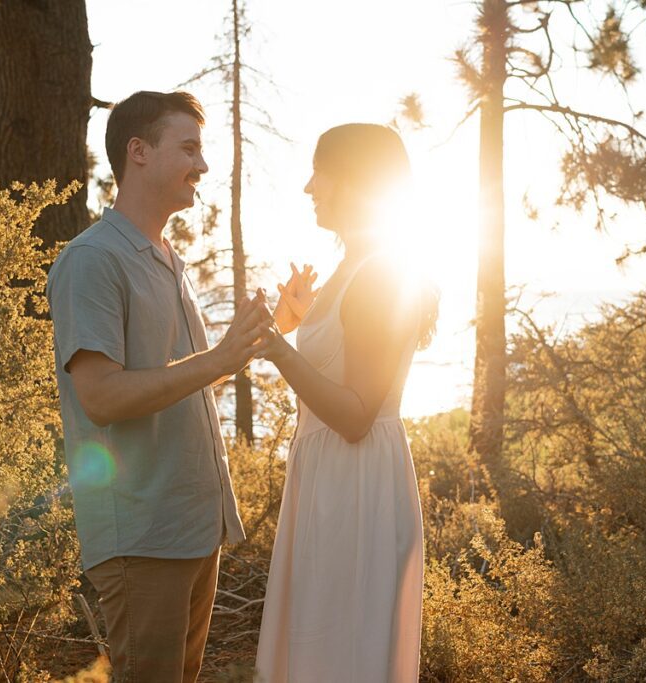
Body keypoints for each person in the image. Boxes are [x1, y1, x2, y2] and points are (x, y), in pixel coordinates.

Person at [46, 90, 271, 683]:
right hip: (143, 537)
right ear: (138, 152)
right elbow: (102, 396)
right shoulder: (92, 260)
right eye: (190, 148)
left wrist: (253, 339)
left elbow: (185, 377)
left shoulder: (167, 259)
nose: (202, 165)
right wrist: (218, 357)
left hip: (193, 529)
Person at [254, 123, 436, 682]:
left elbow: (357, 414)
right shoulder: (350, 267)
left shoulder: (382, 272)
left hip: (359, 485)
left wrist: (276, 347)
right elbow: (340, 363)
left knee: (344, 649)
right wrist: (296, 321)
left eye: (319, 172)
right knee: (320, 644)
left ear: (355, 180)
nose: (309, 187)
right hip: (330, 479)